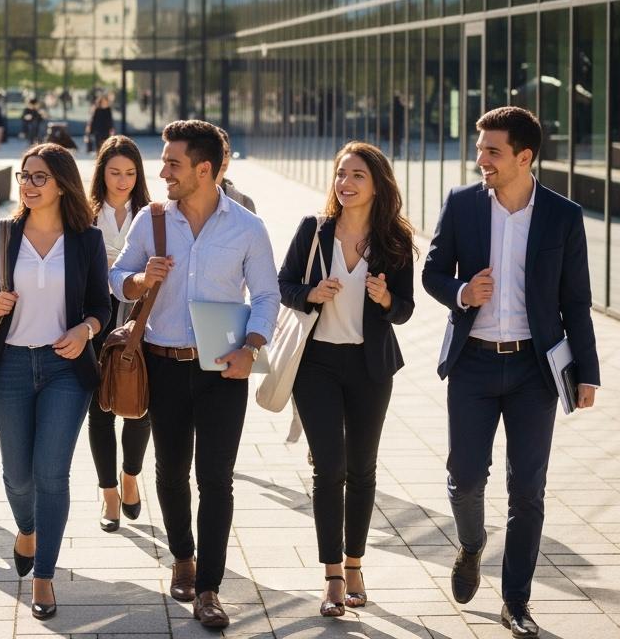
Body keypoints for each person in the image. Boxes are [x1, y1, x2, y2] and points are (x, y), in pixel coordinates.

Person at [423, 106, 600, 638]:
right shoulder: (461, 205)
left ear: (524, 157)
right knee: (465, 479)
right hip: (473, 364)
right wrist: (460, 292)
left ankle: (517, 601)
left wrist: (587, 373)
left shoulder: (563, 217)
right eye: (479, 150)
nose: (481, 160)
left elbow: (577, 301)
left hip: (533, 370)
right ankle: (473, 544)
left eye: (492, 151)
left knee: (528, 490)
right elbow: (432, 270)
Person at [110, 120, 280, 631]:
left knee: (216, 479)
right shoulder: (152, 219)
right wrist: (141, 280)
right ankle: (182, 556)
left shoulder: (247, 227)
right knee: (169, 471)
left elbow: (267, 296)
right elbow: (117, 278)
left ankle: (208, 587)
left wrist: (253, 346)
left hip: (222, 368)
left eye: (172, 164)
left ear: (204, 170)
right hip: (162, 365)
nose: (161, 172)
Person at [278, 142, 416, 618]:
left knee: (361, 468)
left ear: (377, 183)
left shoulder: (394, 239)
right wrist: (311, 292)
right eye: (341, 174)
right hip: (315, 365)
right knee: (328, 468)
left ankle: (355, 563)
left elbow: (406, 308)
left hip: (369, 368)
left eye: (357, 175)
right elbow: (284, 285)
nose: (346, 183)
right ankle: (333, 574)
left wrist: (383, 300)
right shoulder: (314, 230)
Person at [0, 143, 111, 620]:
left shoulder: (86, 239)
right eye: (24, 177)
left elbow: (103, 304)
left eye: (39, 177)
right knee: (17, 474)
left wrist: (86, 329)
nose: (29, 186)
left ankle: (44, 576)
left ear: (62, 184)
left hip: (64, 368)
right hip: (10, 366)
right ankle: (27, 528)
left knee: (51, 473)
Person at [86, 135, 152, 532]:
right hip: (95, 316)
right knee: (100, 408)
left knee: (138, 400)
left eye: (130, 173)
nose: (123, 180)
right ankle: (108, 492)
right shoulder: (85, 212)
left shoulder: (151, 213)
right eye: (115, 172)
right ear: (102, 173)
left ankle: (131, 475)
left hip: (139, 316)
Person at [215, 128, 255, 213]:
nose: (223, 157)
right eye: (217, 152)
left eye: (226, 152)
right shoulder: (183, 201)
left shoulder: (244, 202)